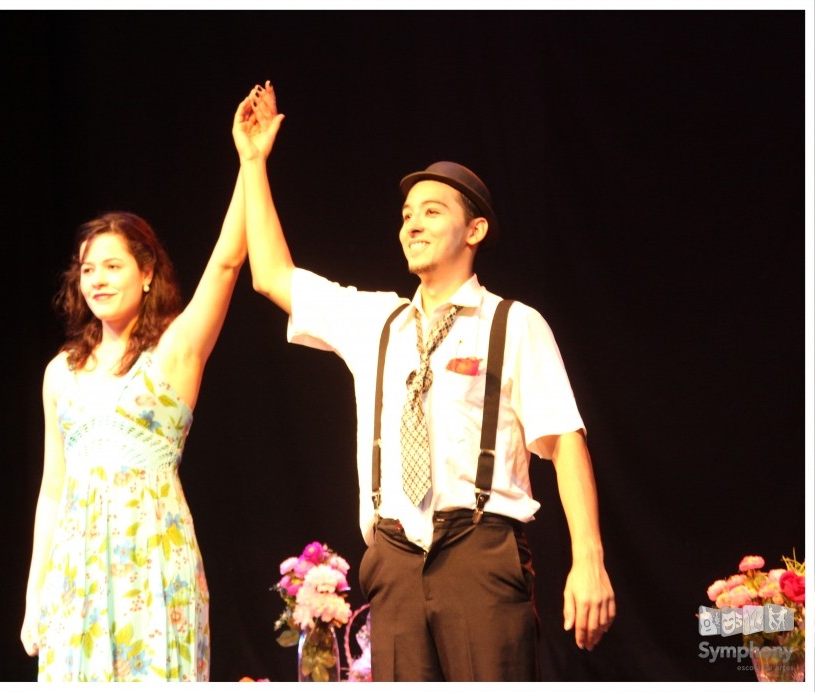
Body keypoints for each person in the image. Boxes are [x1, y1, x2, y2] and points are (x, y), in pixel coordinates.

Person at [233, 82, 616, 681]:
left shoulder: (513, 325)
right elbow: (272, 275)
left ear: (476, 230)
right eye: (407, 214)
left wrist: (588, 558)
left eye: (432, 211)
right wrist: (253, 163)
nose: (412, 223)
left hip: (482, 553)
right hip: (393, 558)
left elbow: (565, 442)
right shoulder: (377, 322)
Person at [20, 96, 268, 680]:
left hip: (154, 565)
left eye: (112, 265)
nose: (97, 280)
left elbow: (229, 263)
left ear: (148, 271)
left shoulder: (174, 353)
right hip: (76, 575)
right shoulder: (61, 373)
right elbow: (53, 490)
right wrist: (35, 594)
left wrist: (250, 163)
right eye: (87, 269)